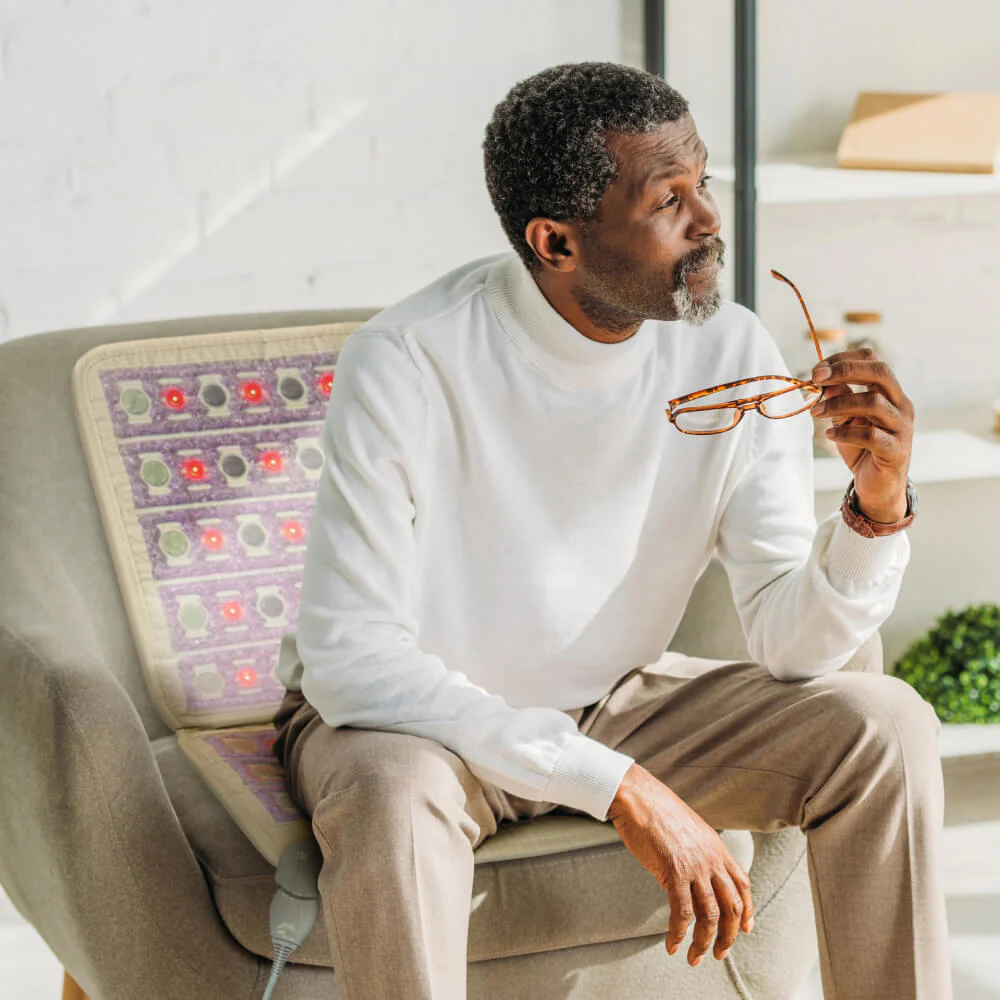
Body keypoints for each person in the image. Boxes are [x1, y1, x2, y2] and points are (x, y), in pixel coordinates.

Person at [271, 61, 949, 1000]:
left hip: (618, 700)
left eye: (702, 181)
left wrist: (876, 509)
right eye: (669, 199)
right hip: (420, 729)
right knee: (391, 791)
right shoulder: (408, 361)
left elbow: (792, 647)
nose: (710, 220)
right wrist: (616, 785)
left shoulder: (731, 349)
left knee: (888, 723)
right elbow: (351, 661)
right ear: (555, 241)